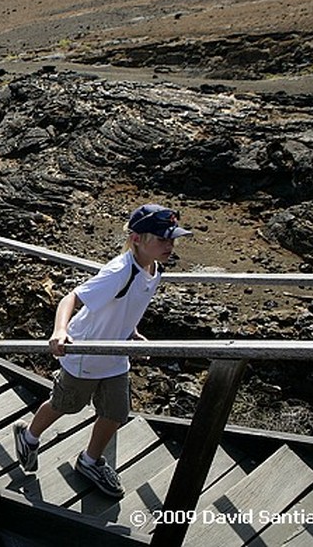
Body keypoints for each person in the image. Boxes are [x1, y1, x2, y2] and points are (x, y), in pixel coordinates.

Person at [13, 204, 193, 499]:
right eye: (162, 239)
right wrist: (60, 331)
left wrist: (131, 333)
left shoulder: (154, 269)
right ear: (137, 238)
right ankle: (29, 435)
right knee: (65, 404)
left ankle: (90, 461)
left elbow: (129, 306)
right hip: (85, 352)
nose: (169, 246)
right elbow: (71, 298)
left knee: (115, 412)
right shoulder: (119, 271)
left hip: (114, 354)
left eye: (171, 239)